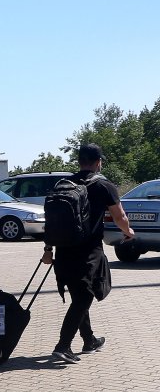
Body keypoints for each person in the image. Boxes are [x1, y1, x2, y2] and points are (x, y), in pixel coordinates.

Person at [41, 143, 135, 364]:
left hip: (63, 250)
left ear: (79, 161)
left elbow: (51, 222)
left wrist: (47, 250)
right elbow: (119, 216)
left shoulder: (63, 184)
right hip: (88, 252)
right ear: (98, 162)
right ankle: (63, 346)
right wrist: (128, 232)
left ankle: (89, 339)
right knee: (84, 298)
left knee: (79, 297)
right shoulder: (104, 186)